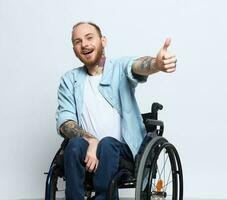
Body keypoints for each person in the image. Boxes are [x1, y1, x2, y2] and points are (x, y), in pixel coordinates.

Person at [56, 21, 177, 200]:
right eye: (78, 41)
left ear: (103, 41)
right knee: (73, 145)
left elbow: (137, 66)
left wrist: (156, 64)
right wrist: (90, 140)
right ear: (74, 49)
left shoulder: (118, 68)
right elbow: (65, 123)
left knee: (107, 144)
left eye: (89, 38)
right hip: (87, 151)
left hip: (122, 153)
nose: (85, 44)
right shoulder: (69, 80)